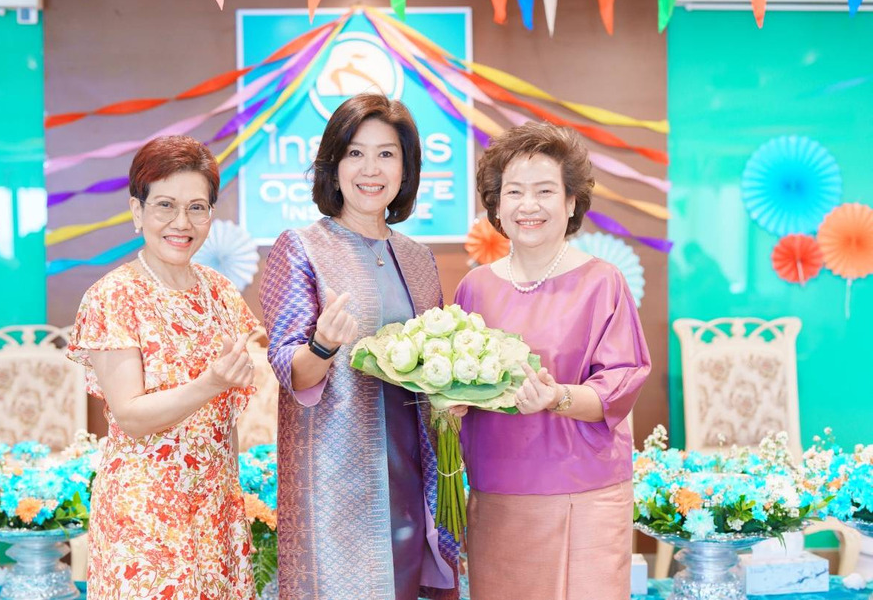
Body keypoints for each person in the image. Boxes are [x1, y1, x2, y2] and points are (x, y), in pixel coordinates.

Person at [259, 93, 458, 600]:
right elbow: (291, 371)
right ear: (334, 165)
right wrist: (323, 346)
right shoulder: (301, 247)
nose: (371, 169)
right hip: (336, 481)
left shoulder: (418, 258)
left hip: (413, 472)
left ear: (406, 169)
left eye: (387, 154)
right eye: (355, 153)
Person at [452, 122, 651, 600]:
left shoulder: (603, 281)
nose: (529, 205)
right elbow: (461, 384)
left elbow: (620, 385)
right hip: (497, 492)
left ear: (571, 202)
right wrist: (450, 402)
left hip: (584, 494)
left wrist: (557, 397)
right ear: (496, 205)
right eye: (514, 192)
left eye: (545, 191)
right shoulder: (474, 288)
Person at [68, 135, 258, 600]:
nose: (182, 222)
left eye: (197, 208)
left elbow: (227, 419)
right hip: (146, 516)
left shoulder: (220, 292)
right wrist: (210, 383)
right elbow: (130, 415)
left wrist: (232, 502)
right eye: (165, 205)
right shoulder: (114, 295)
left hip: (215, 509)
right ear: (137, 211)